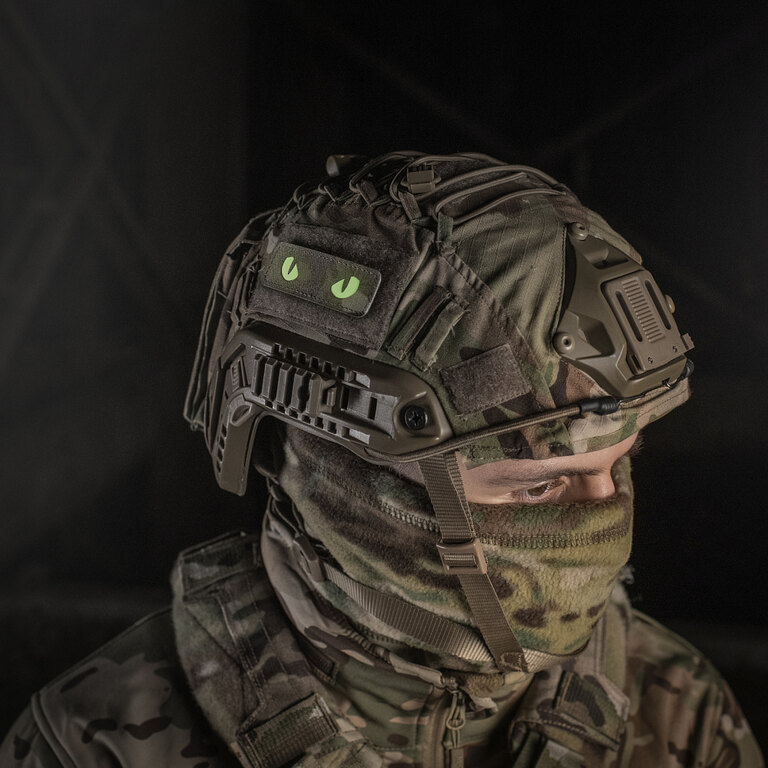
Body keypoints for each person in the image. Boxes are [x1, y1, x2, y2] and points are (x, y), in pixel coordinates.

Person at [1, 151, 763, 767]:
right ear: (358, 493)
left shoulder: (674, 714)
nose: (605, 520)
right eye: (539, 489)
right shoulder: (98, 745)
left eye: (616, 467)